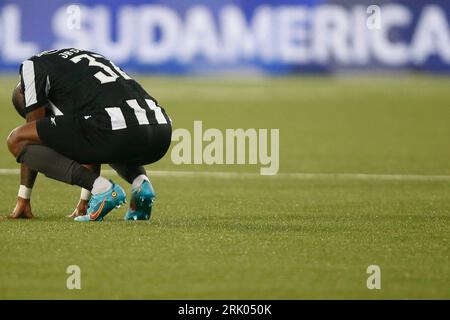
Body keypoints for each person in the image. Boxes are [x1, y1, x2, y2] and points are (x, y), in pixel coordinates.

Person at [6, 48, 172, 222]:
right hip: (161, 129)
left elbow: (32, 132)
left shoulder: (31, 67)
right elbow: (89, 141)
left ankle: (103, 190)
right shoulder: (79, 65)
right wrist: (84, 201)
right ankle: (141, 184)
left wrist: (23, 198)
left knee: (17, 139)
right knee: (103, 130)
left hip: (115, 129)